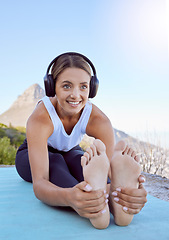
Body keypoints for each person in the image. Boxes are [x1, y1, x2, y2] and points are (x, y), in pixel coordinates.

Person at [15, 52, 147, 229]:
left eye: (83, 87)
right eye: (67, 86)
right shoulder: (40, 118)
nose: (76, 95)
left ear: (91, 89)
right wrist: (70, 198)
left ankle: (117, 202)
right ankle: (93, 204)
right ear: (52, 87)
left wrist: (131, 193)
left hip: (71, 151)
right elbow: (40, 184)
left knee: (83, 162)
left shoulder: (99, 120)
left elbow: (107, 170)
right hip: (31, 156)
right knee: (56, 162)